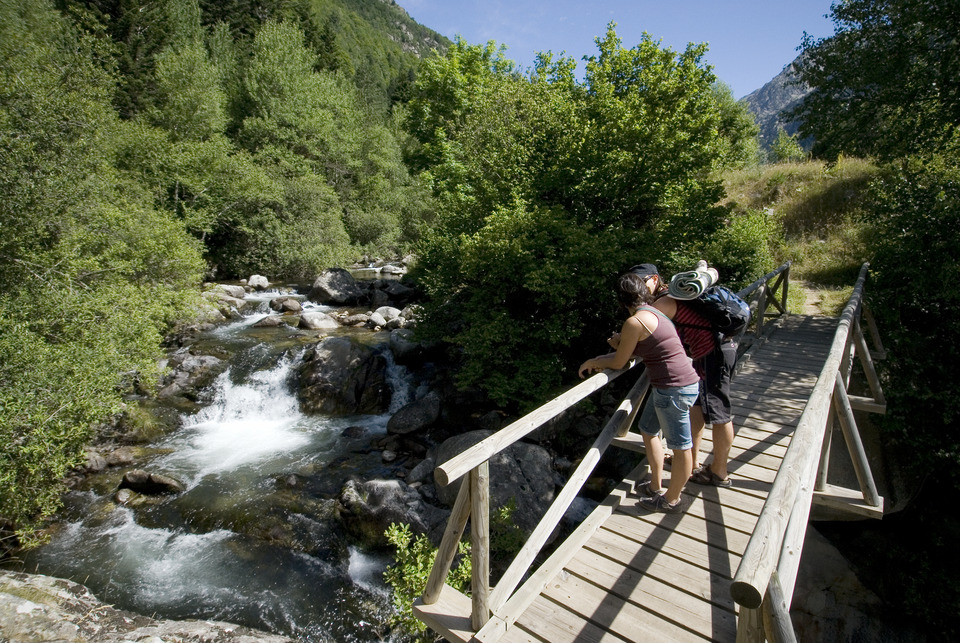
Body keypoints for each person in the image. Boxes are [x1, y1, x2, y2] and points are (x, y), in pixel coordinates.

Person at [578, 269, 700, 513]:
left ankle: (671, 499)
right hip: (676, 384)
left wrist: (596, 359)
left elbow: (619, 363)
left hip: (674, 389)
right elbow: (636, 351)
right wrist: (609, 351)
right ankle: (656, 486)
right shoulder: (653, 311)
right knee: (647, 429)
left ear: (621, 300)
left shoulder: (634, 322)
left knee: (680, 446)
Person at [639, 263, 736, 488]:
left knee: (720, 413)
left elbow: (645, 332)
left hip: (714, 353)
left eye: (642, 281)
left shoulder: (665, 301)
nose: (640, 288)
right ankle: (690, 462)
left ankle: (720, 473)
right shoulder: (678, 296)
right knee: (698, 408)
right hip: (712, 352)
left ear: (654, 279)